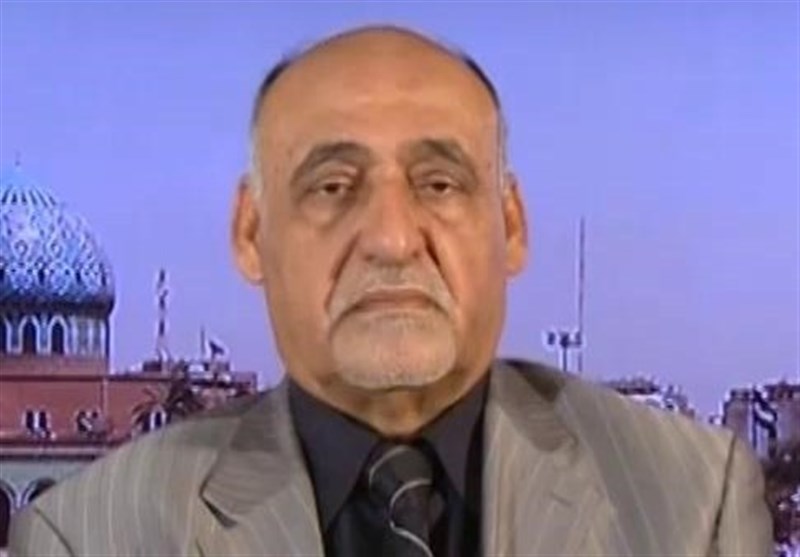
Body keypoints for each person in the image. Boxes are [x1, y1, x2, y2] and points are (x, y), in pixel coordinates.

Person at [9, 25, 771, 557]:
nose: (392, 238)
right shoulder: (93, 534)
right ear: (251, 232)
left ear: (511, 225)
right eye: (332, 186)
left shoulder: (689, 502)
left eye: (439, 183)